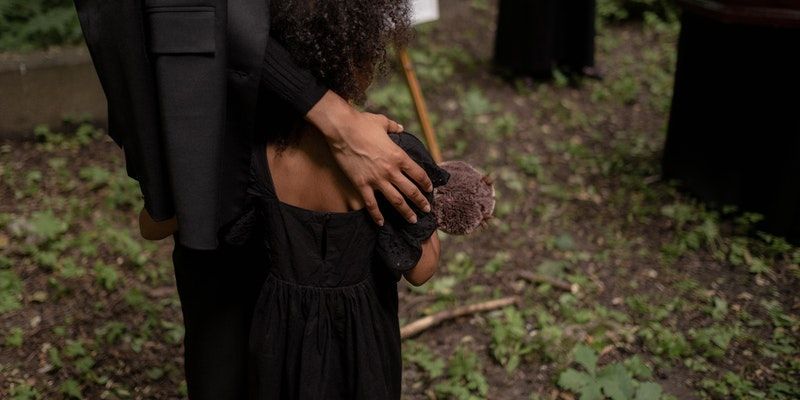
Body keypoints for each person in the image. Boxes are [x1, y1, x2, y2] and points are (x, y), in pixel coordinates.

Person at [74, 0, 434, 399]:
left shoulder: (251, 164)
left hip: (272, 360)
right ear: (365, 62)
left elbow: (163, 224)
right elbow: (421, 269)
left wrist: (170, 202)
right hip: (362, 361)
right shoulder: (393, 157)